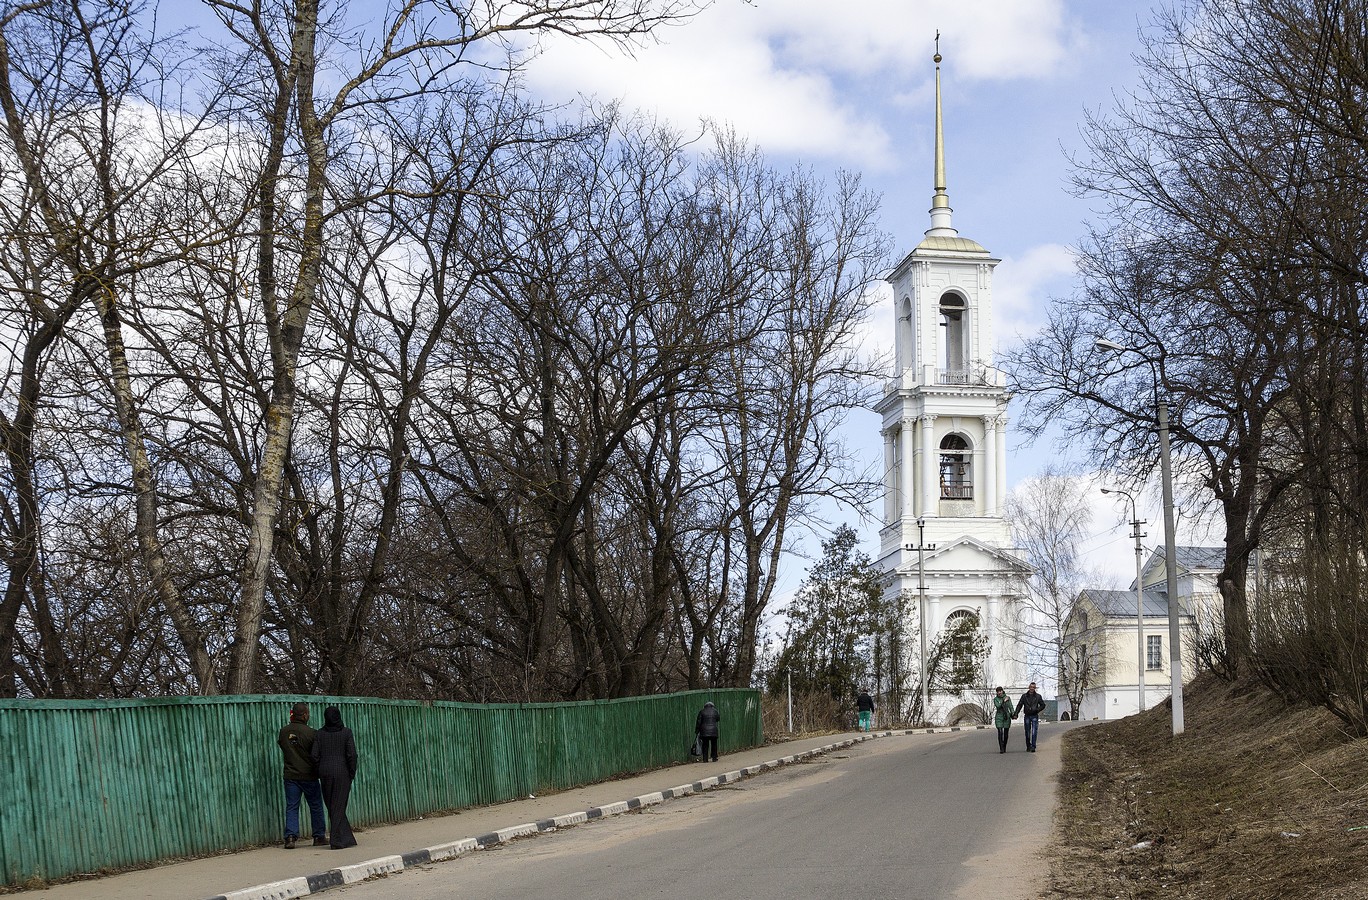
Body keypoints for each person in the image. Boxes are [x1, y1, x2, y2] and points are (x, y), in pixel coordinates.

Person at [277, 702, 328, 849]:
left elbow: (283, 746)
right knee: (316, 806)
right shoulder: (312, 733)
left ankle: (290, 837)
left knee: (292, 806)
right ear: (305, 714)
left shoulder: (283, 731)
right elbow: (316, 754)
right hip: (309, 775)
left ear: (293, 714)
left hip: (290, 775)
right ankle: (318, 836)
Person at [311, 706, 359, 849]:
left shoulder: (319, 734)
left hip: (325, 772)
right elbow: (352, 755)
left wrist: (319, 769)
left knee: (332, 805)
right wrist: (351, 772)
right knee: (338, 805)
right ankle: (336, 840)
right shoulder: (346, 733)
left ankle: (347, 838)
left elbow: (314, 755)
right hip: (342, 772)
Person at [1014, 682, 1047, 752]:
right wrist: (1016, 713)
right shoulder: (1024, 696)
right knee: (1027, 732)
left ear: (1035, 688)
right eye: (1031, 687)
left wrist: (1037, 710)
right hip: (1027, 715)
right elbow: (1019, 705)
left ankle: (1033, 746)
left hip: (1034, 715)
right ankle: (1028, 745)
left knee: (1034, 731)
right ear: (1029, 687)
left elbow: (1043, 705)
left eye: (1033, 687)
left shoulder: (1038, 696)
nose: (1032, 688)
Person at [992, 686, 1013, 753]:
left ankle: (1004, 746)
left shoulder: (1007, 698)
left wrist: (1013, 714)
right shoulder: (996, 699)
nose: (999, 693)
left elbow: (1010, 707)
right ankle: (1001, 748)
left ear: (1002, 691)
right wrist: (1003, 701)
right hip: (999, 716)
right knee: (1000, 732)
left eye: (1000, 691)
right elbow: (998, 706)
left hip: (1006, 716)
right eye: (998, 692)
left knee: (1006, 733)